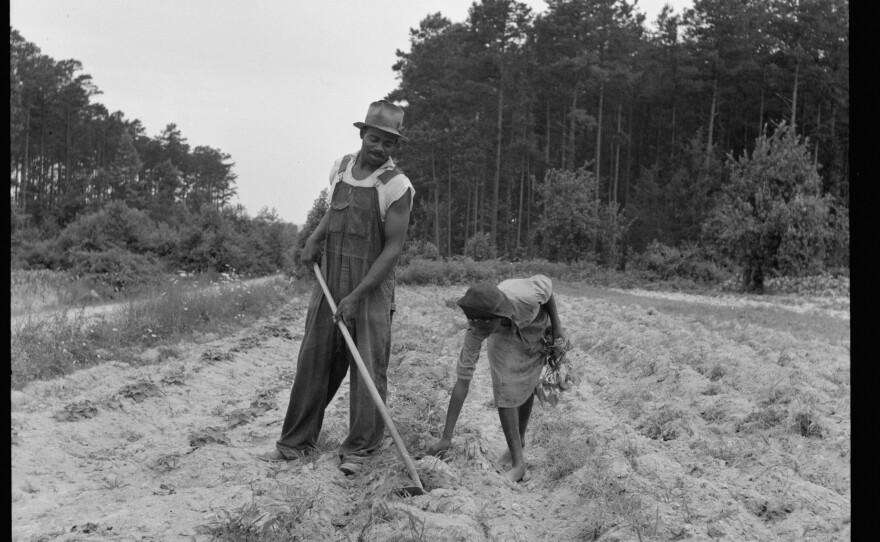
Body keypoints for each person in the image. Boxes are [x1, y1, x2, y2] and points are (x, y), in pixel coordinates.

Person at [257, 100, 414, 476]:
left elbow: (393, 249)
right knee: (313, 361)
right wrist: (314, 237)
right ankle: (295, 444)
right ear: (363, 134)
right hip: (329, 281)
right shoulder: (342, 169)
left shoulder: (397, 187)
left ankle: (360, 451)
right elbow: (335, 210)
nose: (380, 148)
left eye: (389, 143)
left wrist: (357, 295)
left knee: (367, 371)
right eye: (375, 139)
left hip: (371, 292)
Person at [424, 274, 566, 483]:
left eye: (484, 326)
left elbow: (548, 293)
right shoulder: (476, 330)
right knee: (505, 388)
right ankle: (519, 466)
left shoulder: (525, 297)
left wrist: (557, 326)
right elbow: (462, 382)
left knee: (527, 381)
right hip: (503, 335)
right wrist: (446, 438)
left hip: (535, 324)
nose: (478, 330)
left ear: (497, 317)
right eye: (474, 324)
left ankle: (521, 437)